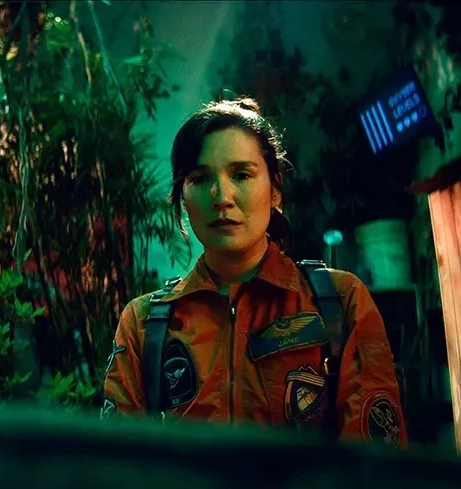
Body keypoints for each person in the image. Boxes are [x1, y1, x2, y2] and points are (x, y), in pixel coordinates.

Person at [102, 98, 407, 447]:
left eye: (241, 175)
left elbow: (374, 464)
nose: (221, 196)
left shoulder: (340, 301)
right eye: (200, 178)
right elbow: (119, 462)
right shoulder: (144, 325)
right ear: (183, 197)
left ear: (275, 189)